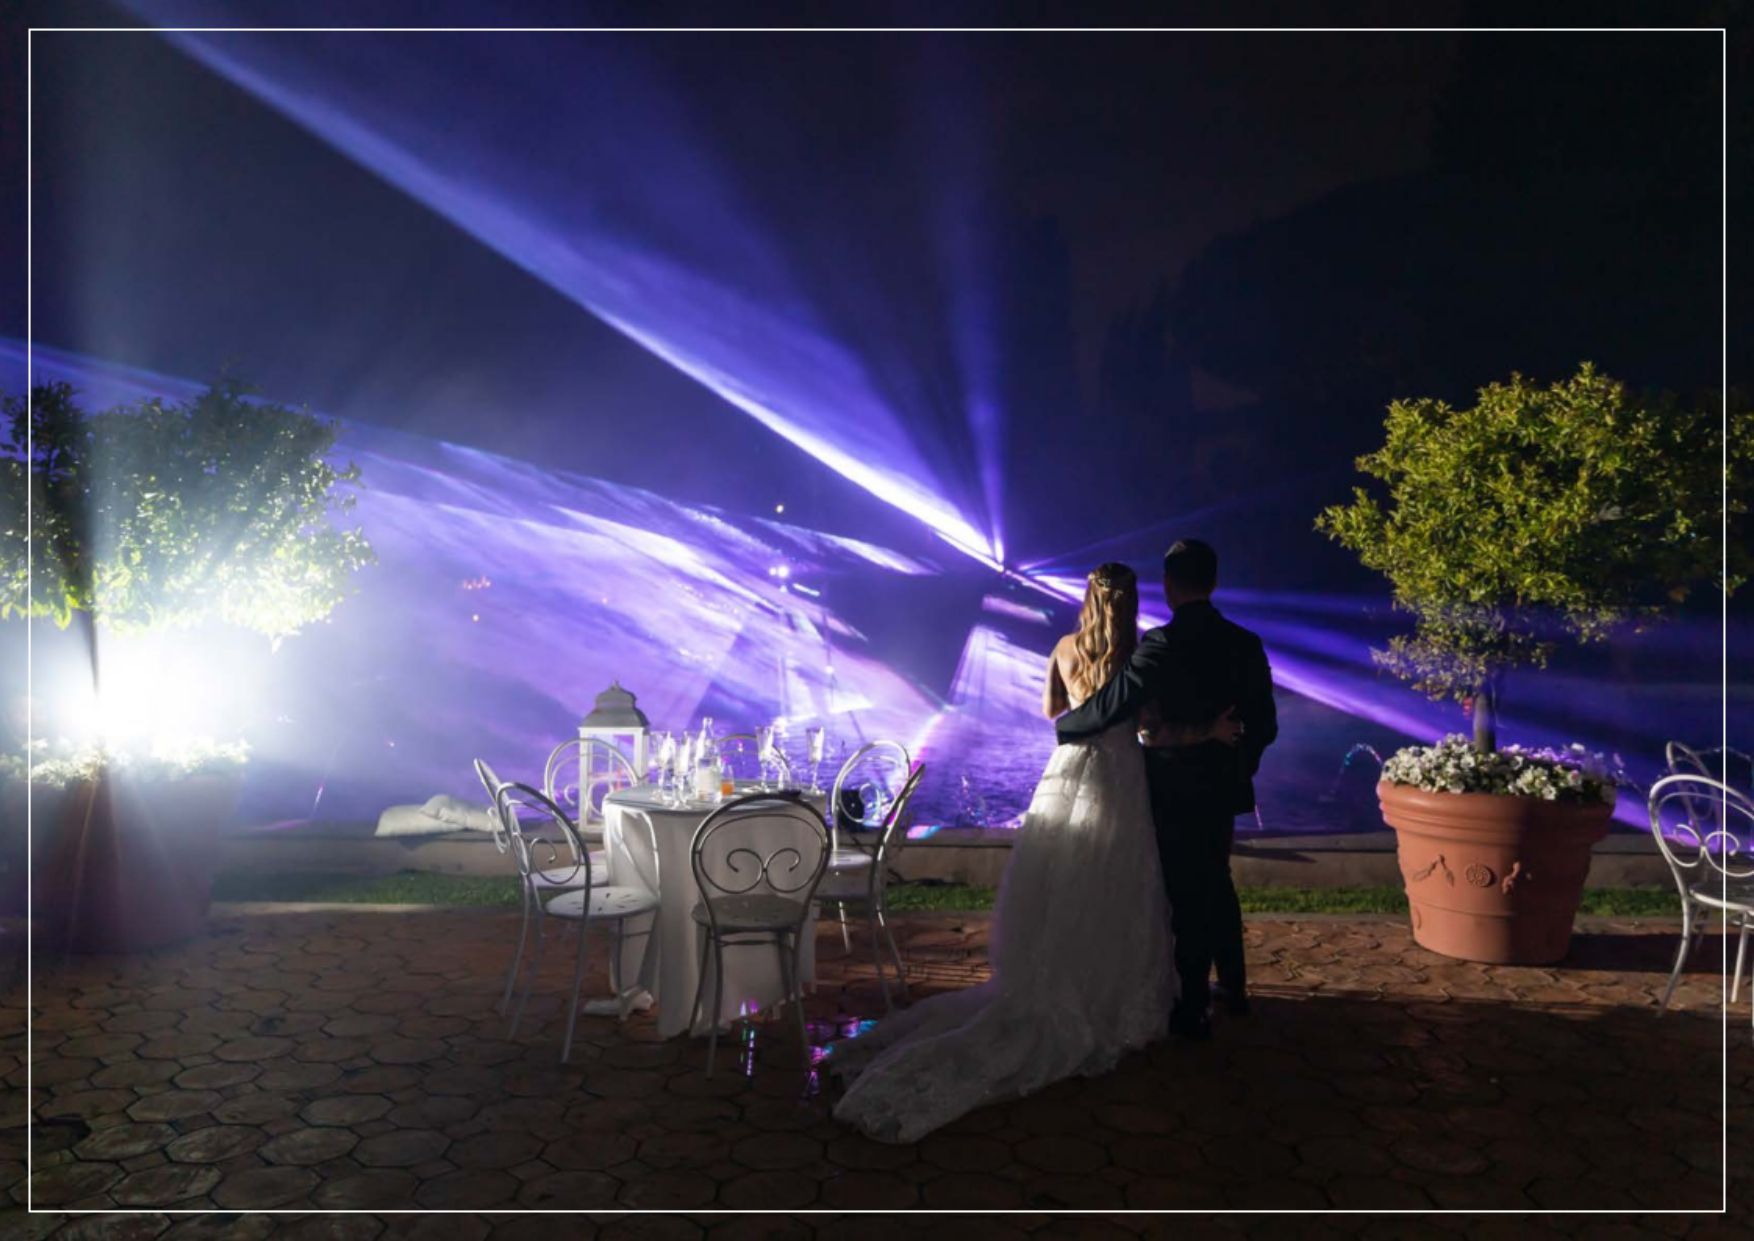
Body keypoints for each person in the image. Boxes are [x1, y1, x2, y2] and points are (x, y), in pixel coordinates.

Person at [828, 562, 1241, 1143]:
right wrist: (1206, 734)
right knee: (1114, 883)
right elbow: (1154, 730)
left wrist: (1081, 698)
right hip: (1121, 779)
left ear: (1087, 599)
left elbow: (1053, 712)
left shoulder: (1065, 648)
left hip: (1068, 771)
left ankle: (1051, 972)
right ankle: (1103, 986)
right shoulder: (1141, 658)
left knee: (1063, 877)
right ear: (1131, 603)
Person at [1056, 539, 1278, 1040]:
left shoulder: (1161, 644)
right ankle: (1236, 987)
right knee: (1217, 881)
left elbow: (1115, 701)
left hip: (1174, 786)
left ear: (1171, 586)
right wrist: (1238, 762)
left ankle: (1194, 1004)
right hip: (1222, 787)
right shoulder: (1246, 643)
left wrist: (1068, 728)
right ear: (1213, 582)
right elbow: (1266, 723)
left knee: (1186, 892)